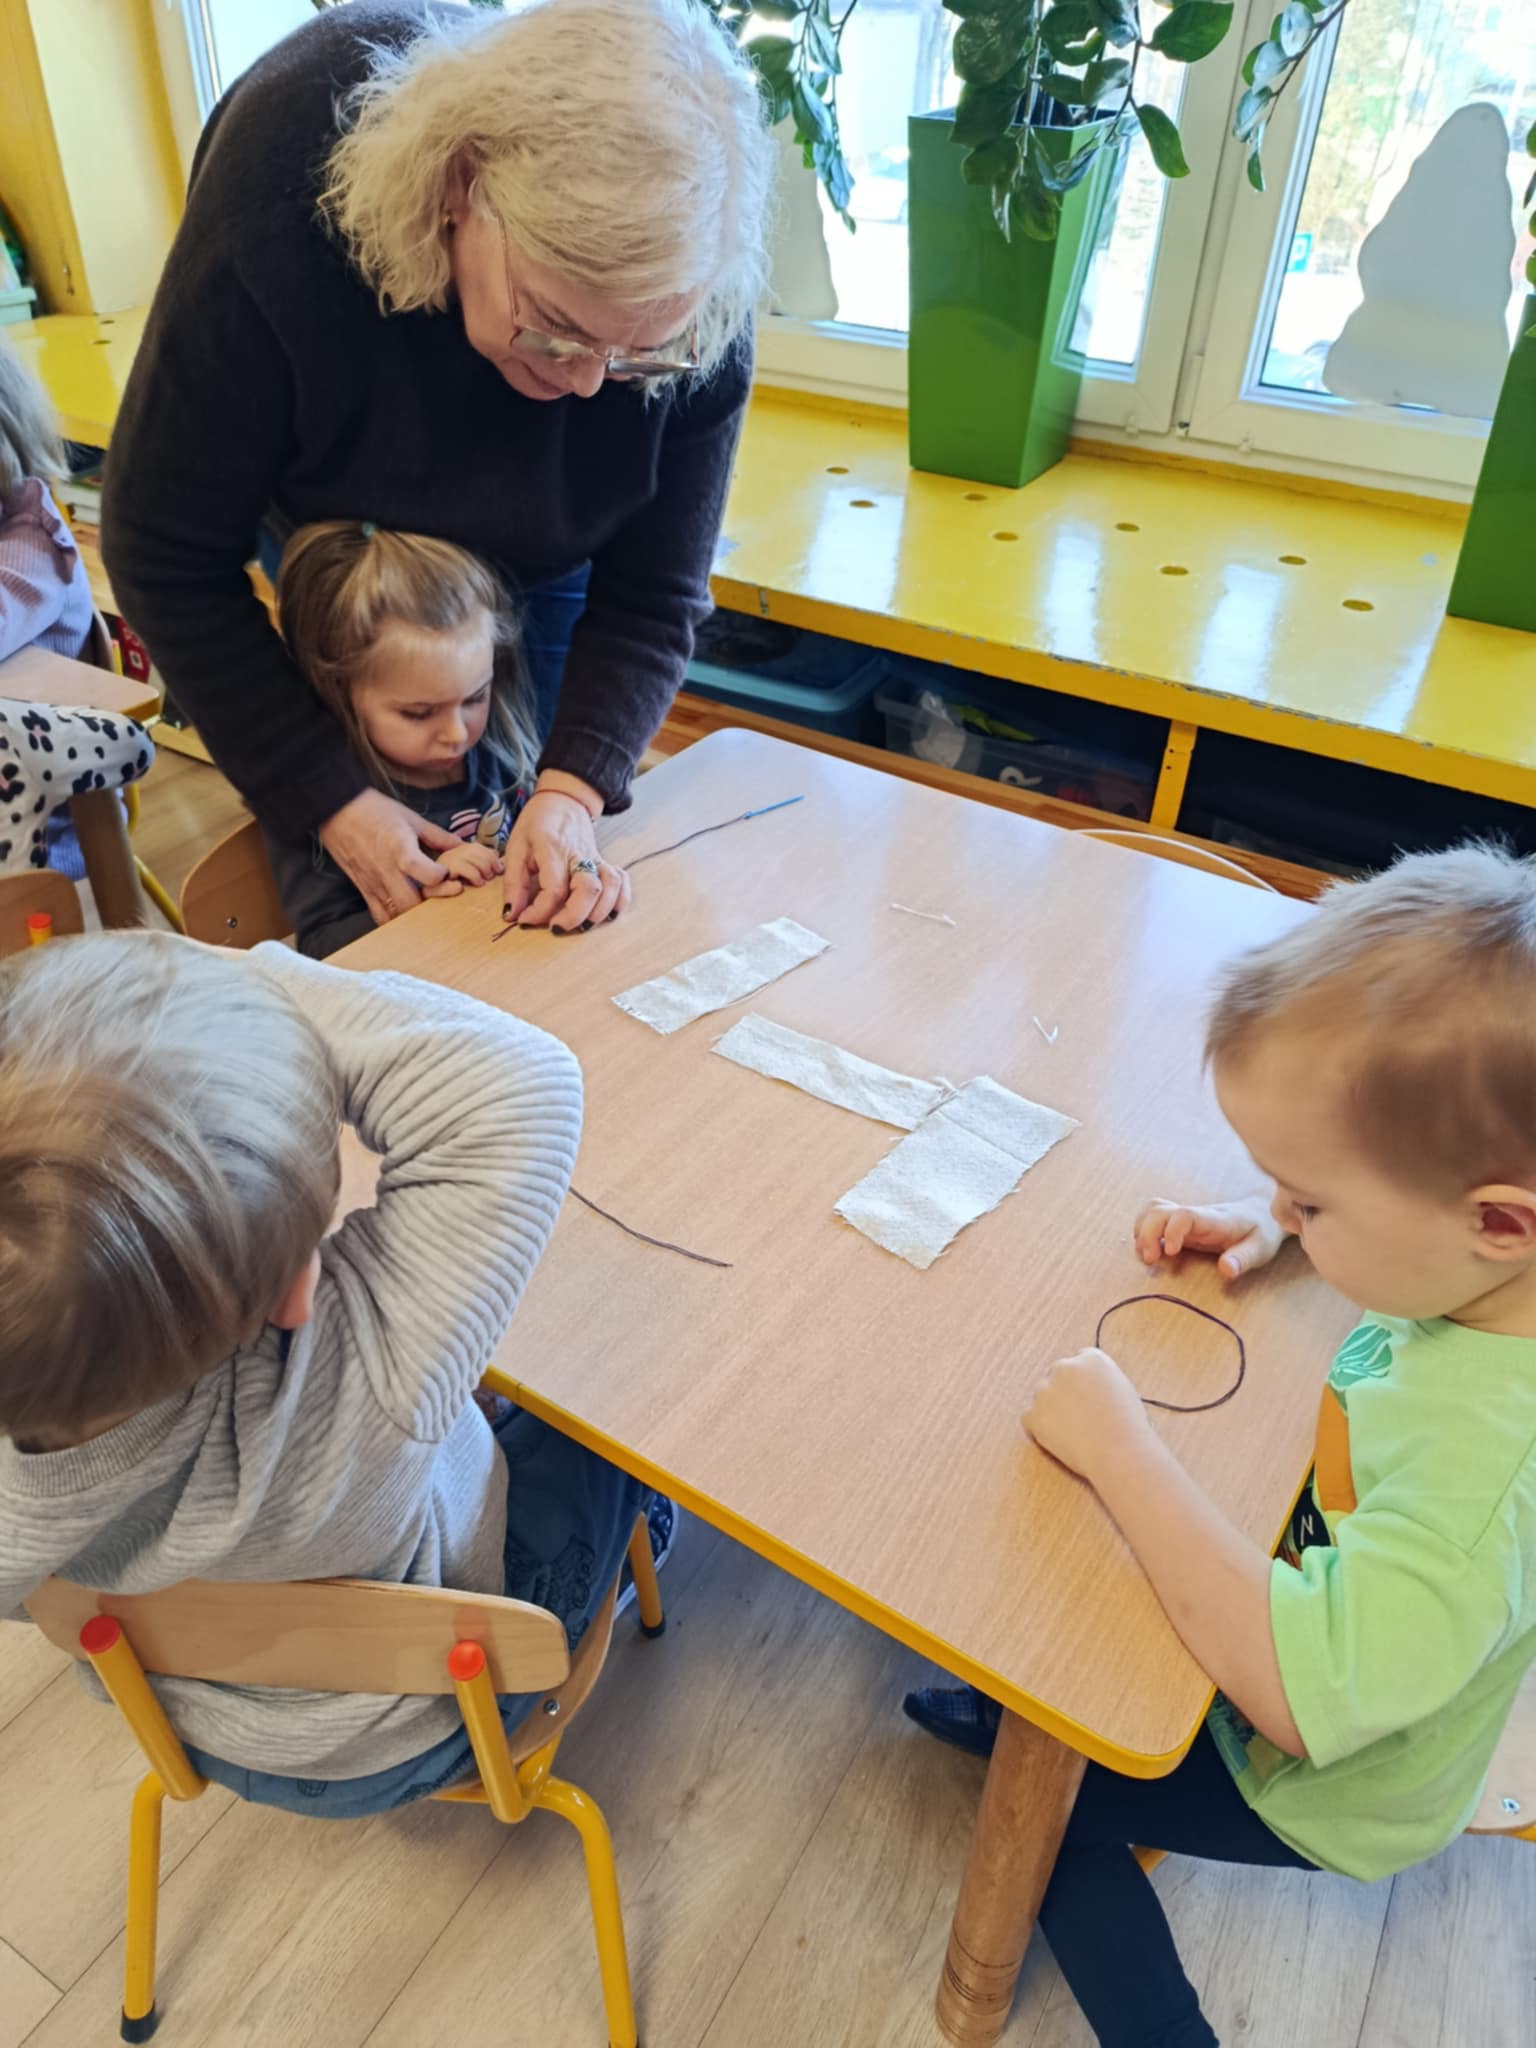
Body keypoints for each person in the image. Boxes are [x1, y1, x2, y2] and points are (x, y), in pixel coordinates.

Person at [907, 844, 1536, 2048]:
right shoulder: (1484, 1272)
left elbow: (1303, 1695)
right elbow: (1417, 1235)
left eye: (1313, 1198)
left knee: (1046, 1816)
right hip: (1319, 1602)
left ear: (1500, 1219)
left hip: (1317, 1776)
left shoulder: (1483, 1485)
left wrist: (1124, 1451)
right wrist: (1275, 1224)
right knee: (1038, 1623)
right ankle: (1008, 1712)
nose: (1288, 1209)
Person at [101, 0, 773, 944]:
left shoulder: (694, 277)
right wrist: (332, 801)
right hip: (345, 533)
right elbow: (163, 554)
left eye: (634, 358)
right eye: (557, 327)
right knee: (358, 839)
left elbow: (654, 593)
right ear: (461, 187)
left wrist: (571, 793)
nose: (587, 385)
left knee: (521, 819)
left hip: (549, 545)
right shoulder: (278, 206)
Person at [0, 930, 671, 1813]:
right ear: (296, 1292)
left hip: (194, 1723)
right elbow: (522, 1078)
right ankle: (643, 1535)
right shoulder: (363, 1374)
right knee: (613, 1411)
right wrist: (234, 977)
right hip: (435, 1718)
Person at [267, 520, 552, 958]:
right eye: (419, 713)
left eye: (476, 697)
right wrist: (430, 893)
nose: (457, 734)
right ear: (340, 694)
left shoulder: (499, 747)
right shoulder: (317, 804)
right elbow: (323, 948)